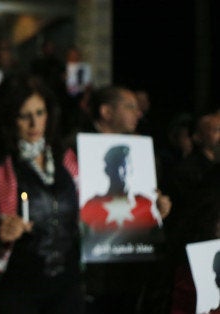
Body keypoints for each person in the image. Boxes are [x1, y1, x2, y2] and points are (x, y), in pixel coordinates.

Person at [0, 74, 83, 314]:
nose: (34, 124)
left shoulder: (66, 159)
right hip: (19, 290)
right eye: (24, 116)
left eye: (40, 113)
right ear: (9, 119)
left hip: (67, 286)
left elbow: (93, 207)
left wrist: (151, 209)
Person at [82, 85, 172, 314]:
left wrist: (159, 207)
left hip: (133, 268)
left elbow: (152, 199)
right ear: (106, 112)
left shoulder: (141, 151)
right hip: (91, 269)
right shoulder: (76, 149)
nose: (138, 113)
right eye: (130, 107)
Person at [80, 145, 160, 231]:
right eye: (117, 165)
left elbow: (156, 235)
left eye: (127, 164)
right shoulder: (92, 205)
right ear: (107, 170)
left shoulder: (145, 203)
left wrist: (160, 212)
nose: (123, 171)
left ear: (131, 169)